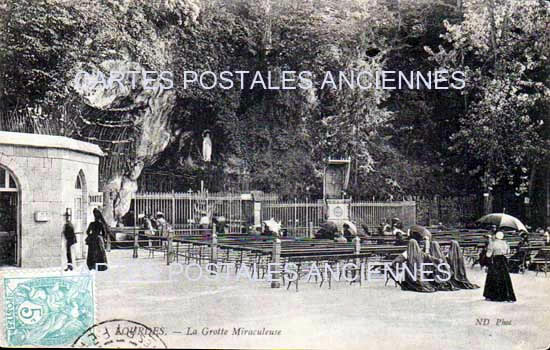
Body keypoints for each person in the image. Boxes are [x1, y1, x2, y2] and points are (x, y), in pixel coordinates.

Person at [483, 231, 516, 302]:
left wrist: (488, 246)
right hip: (503, 261)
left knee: (493, 277)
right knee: (504, 277)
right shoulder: (505, 243)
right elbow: (508, 252)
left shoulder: (492, 243)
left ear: (496, 236)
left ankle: (493, 296)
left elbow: (488, 255)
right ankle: (506, 295)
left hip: (495, 261)